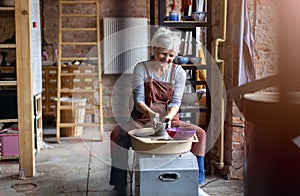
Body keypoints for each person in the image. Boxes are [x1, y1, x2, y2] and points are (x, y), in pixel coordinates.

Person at [109, 27, 206, 195]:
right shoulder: (142, 69)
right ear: (154, 49)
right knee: (117, 135)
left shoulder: (179, 73)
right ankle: (120, 184)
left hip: (170, 121)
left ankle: (195, 181)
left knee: (200, 134)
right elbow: (139, 100)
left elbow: (175, 102)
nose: (167, 59)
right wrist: (151, 114)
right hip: (142, 120)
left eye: (171, 55)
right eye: (163, 54)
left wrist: (167, 119)